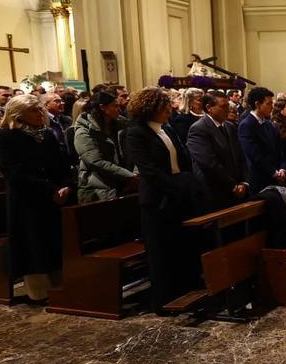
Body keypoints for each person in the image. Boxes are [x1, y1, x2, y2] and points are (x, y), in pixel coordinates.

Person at [0, 95, 74, 303]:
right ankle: (38, 292)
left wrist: (66, 186)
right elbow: (14, 173)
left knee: (53, 242)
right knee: (31, 243)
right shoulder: (5, 137)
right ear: (18, 115)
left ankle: (58, 286)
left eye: (40, 109)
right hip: (26, 199)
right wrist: (50, 190)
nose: (41, 114)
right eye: (34, 110)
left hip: (54, 197)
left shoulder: (46, 135)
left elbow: (61, 165)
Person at [123, 87, 200, 310]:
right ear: (150, 108)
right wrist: (176, 188)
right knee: (160, 251)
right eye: (164, 105)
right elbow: (149, 171)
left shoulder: (167, 128)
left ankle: (185, 290)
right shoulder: (137, 133)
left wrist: (187, 183)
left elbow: (183, 157)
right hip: (157, 200)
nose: (169, 109)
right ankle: (164, 299)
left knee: (180, 246)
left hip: (178, 194)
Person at [187, 91, 249, 211]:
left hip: (237, 188)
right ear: (209, 108)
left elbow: (241, 156)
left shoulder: (229, 127)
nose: (228, 110)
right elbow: (208, 163)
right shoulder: (199, 129)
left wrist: (244, 182)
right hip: (214, 191)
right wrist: (232, 185)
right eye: (223, 106)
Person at [73, 91, 136, 203]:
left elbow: (134, 152)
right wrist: (129, 176)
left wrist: (135, 174)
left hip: (125, 184)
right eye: (115, 106)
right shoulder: (84, 131)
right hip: (98, 189)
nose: (119, 109)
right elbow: (95, 161)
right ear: (102, 107)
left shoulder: (121, 125)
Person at [238, 86, 286, 192]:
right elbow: (254, 155)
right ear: (257, 104)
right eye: (269, 104)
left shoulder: (270, 125)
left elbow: (279, 150)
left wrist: (282, 168)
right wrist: (274, 172)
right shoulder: (247, 125)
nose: (272, 107)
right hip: (260, 179)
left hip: (276, 176)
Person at [41, 92, 73, 158]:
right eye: (57, 101)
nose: (62, 103)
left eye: (62, 101)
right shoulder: (41, 121)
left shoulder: (67, 119)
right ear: (46, 105)